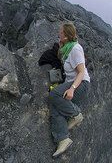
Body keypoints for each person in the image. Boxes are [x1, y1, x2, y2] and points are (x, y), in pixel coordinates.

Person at [49, 22, 90, 158]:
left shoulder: (76, 48)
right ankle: (63, 139)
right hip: (73, 83)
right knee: (55, 105)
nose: (58, 34)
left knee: (54, 95)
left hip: (81, 84)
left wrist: (71, 89)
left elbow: (81, 71)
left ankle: (76, 114)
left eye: (60, 33)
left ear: (66, 36)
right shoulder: (67, 48)